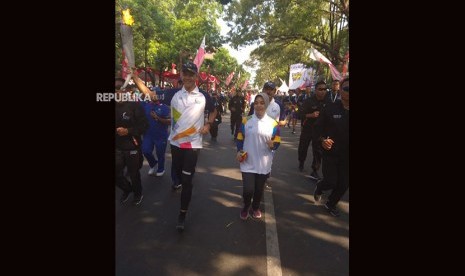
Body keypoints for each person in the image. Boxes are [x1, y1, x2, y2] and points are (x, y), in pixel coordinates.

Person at [169, 61, 217, 231]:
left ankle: (182, 213)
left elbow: (213, 110)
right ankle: (184, 179)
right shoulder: (173, 93)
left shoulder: (204, 96)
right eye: (185, 73)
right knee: (177, 174)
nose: (188, 77)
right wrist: (135, 76)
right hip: (175, 143)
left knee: (187, 180)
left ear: (196, 76)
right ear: (181, 75)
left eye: (191, 74)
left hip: (192, 145)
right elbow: (150, 94)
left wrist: (208, 125)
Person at [236, 93, 281, 220]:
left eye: (262, 103)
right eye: (256, 103)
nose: (259, 105)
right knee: (248, 190)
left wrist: (273, 145)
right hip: (248, 161)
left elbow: (277, 142)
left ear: (266, 104)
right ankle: (245, 206)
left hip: (264, 163)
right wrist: (239, 151)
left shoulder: (273, 124)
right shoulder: (247, 120)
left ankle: (255, 207)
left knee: (258, 190)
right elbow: (240, 137)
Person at [313, 78, 349, 217]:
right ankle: (320, 187)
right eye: (346, 89)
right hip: (331, 153)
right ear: (340, 90)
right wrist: (322, 140)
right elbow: (317, 129)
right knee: (331, 181)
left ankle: (331, 203)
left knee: (343, 184)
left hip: (347, 156)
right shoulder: (330, 108)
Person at [115, 80, 149, 205]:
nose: (118, 91)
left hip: (132, 146)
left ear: (127, 90)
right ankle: (127, 189)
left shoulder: (135, 106)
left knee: (134, 173)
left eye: (120, 87)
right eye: (115, 88)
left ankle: (137, 193)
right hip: (117, 147)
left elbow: (144, 126)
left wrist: (128, 131)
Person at [132, 73, 171, 177]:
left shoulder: (165, 108)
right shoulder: (145, 104)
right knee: (146, 151)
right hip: (148, 134)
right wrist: (134, 78)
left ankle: (161, 168)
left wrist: (158, 118)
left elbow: (169, 122)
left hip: (160, 135)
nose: (151, 94)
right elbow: (140, 93)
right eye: (151, 93)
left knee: (160, 154)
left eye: (153, 93)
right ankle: (153, 164)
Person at [298, 81, 330, 179]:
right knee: (303, 147)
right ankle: (301, 162)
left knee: (318, 151)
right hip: (308, 128)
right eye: (320, 89)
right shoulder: (309, 101)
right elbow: (300, 114)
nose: (322, 91)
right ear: (315, 90)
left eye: (325, 89)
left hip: (320, 131)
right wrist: (311, 115)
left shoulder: (328, 101)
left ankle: (315, 170)